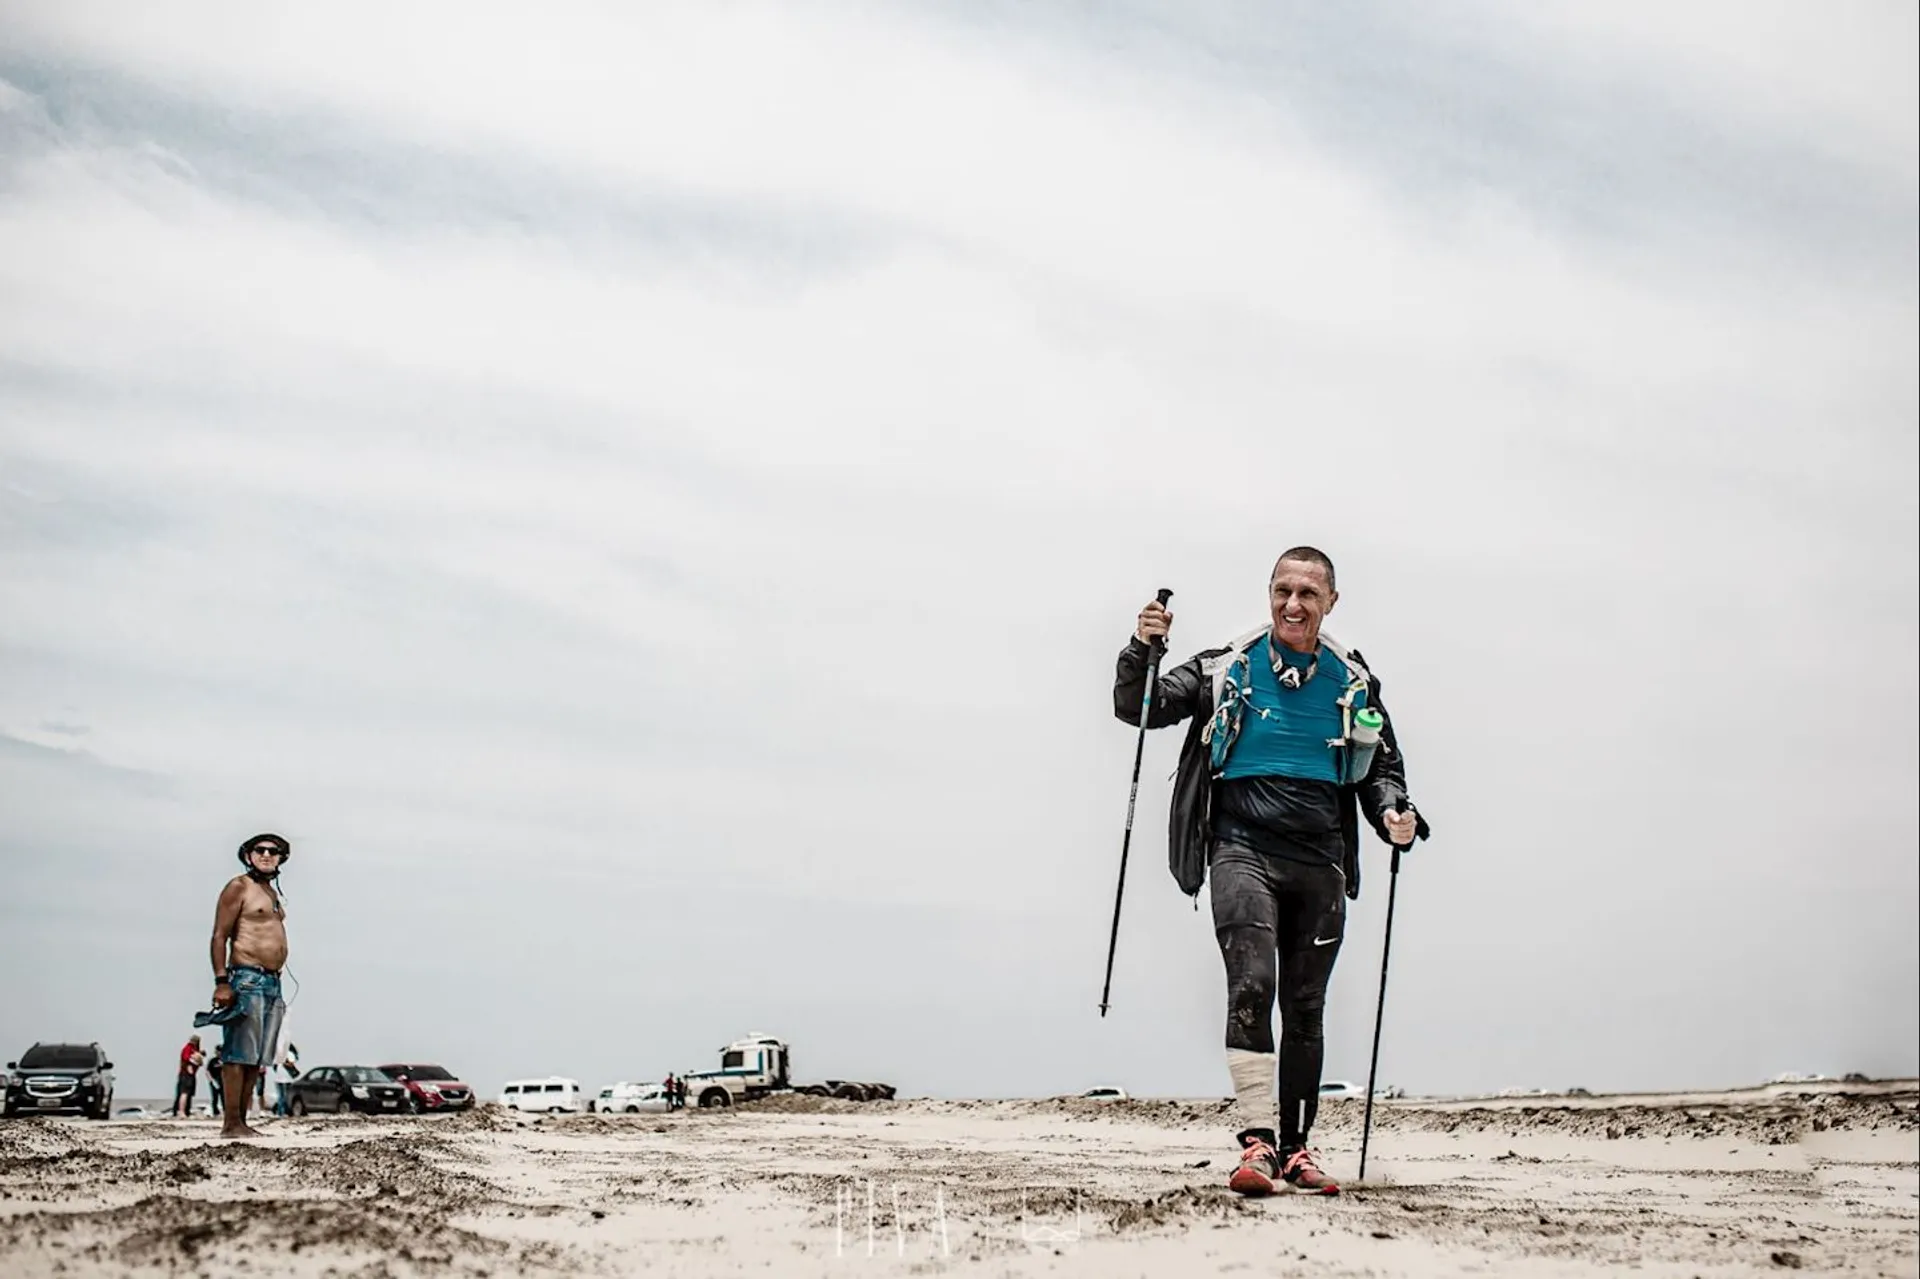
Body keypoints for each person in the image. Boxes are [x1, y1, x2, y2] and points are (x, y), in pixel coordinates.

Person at [1114, 547, 1429, 1197]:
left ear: (1330, 602)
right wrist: (1141, 649)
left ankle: (1296, 1149)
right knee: (1252, 984)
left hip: (1319, 858)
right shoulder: (1227, 666)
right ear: (1268, 594)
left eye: (1308, 593)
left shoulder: (1351, 678)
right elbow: (1138, 706)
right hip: (1240, 849)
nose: (1293, 603)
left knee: (1306, 1007)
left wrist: (1397, 813)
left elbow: (1381, 770)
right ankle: (1257, 1142)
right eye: (1283, 590)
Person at [209, 832, 293, 1140]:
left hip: (272, 981)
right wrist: (221, 981)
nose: (267, 855)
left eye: (274, 851)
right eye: (260, 850)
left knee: (257, 1057)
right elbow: (219, 935)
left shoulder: (270, 893)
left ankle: (242, 1122)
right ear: (248, 855)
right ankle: (231, 1123)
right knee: (237, 1053)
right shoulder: (238, 887)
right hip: (246, 977)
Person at [173, 1035, 204, 1117]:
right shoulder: (188, 1048)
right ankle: (181, 1111)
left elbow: (200, 1062)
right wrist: (193, 1061)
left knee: (188, 1094)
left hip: (190, 1074)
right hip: (186, 1074)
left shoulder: (194, 1050)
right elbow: (186, 1058)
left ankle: (186, 1111)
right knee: (184, 1093)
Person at [206, 1047, 223, 1117]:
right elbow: (207, 1071)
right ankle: (215, 1112)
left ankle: (225, 1111)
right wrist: (211, 1080)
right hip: (214, 1080)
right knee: (214, 1097)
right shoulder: (212, 1061)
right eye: (217, 1051)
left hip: (223, 1081)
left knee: (224, 1097)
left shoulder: (224, 1060)